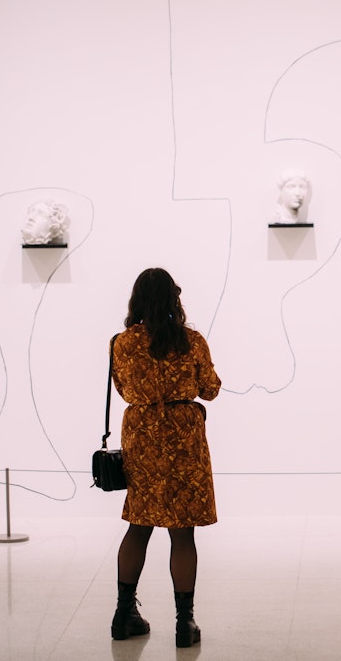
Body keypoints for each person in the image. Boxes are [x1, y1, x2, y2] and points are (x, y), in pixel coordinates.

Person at [109, 268, 221, 648]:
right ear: (174, 299)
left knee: (138, 526)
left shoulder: (121, 344)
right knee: (182, 532)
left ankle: (124, 614)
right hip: (183, 436)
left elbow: (123, 389)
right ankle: (184, 623)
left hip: (141, 436)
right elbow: (210, 390)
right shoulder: (191, 341)